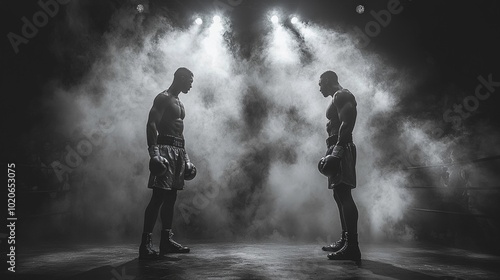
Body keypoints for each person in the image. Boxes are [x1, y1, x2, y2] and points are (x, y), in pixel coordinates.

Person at [139, 67, 197, 260]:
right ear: (180, 78)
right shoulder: (163, 98)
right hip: (164, 150)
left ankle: (166, 241)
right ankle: (145, 244)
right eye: (189, 80)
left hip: (178, 151)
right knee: (158, 197)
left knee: (171, 198)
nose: (191, 84)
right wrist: (154, 153)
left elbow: (180, 134)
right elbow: (151, 124)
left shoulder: (180, 102)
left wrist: (187, 159)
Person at [317, 70, 361, 264]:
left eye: (321, 84)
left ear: (328, 81)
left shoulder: (342, 95)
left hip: (341, 147)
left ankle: (352, 247)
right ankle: (345, 240)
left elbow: (347, 122)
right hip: (335, 146)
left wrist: (337, 152)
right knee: (338, 195)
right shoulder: (337, 97)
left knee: (344, 194)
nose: (319, 88)